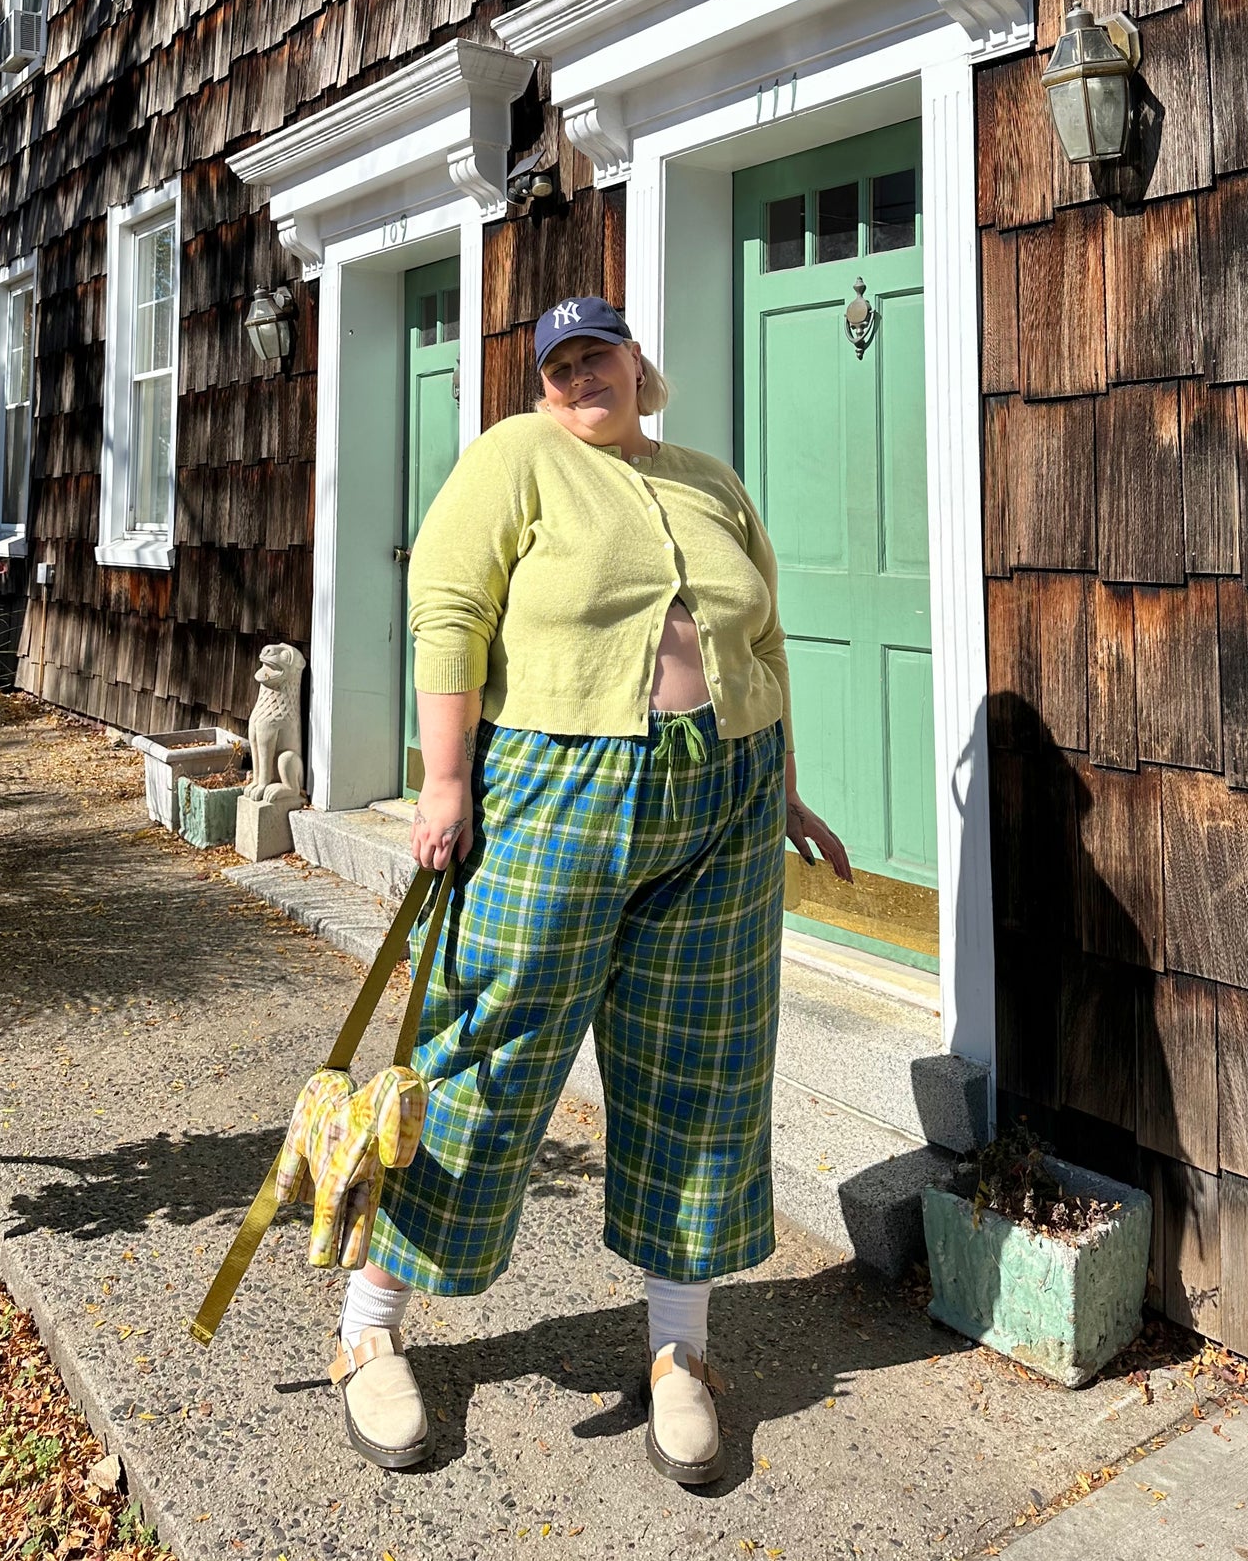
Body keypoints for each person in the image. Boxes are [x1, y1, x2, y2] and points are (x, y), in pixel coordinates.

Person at [317, 295, 850, 1483]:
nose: (574, 375)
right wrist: (443, 780)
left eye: (593, 353)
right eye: (555, 364)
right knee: (485, 1054)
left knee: (700, 1065)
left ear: (634, 363)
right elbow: (446, 608)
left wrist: (789, 787)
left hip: (726, 797)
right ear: (542, 384)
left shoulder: (708, 480)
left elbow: (760, 642)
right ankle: (366, 1331)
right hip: (554, 794)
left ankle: (679, 1353)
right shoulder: (515, 458)